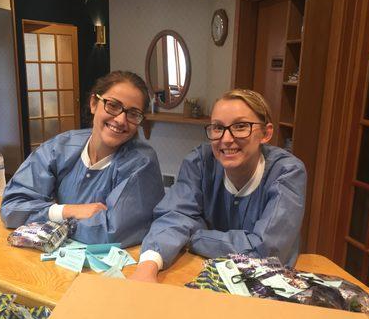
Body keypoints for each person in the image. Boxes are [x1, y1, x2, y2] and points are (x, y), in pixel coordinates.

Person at [130, 89, 307, 282]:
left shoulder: (287, 172)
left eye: (240, 126)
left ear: (266, 133)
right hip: (205, 274)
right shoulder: (200, 162)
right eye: (217, 128)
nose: (226, 139)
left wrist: (194, 236)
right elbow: (175, 216)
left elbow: (265, 251)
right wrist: (148, 266)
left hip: (267, 282)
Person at [0, 71, 164, 248]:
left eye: (133, 114)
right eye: (113, 105)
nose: (120, 119)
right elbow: (13, 207)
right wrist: (69, 210)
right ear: (94, 103)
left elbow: (109, 234)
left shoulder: (141, 163)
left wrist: (46, 219)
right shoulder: (60, 147)